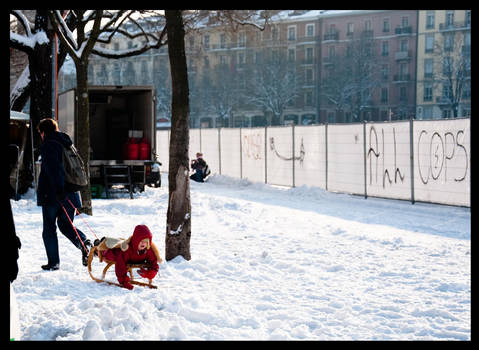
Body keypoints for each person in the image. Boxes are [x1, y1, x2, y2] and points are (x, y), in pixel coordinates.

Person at [36, 118, 91, 271]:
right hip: (72, 193)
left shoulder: (49, 144)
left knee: (49, 229)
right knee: (66, 225)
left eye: (40, 133)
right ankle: (85, 243)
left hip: (54, 195)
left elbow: (55, 169)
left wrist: (59, 189)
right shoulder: (66, 142)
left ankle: (53, 262)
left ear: (43, 132)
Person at [101, 225, 161, 290]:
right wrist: (124, 282)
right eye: (141, 241)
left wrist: (149, 273)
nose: (143, 243)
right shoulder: (127, 249)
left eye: (146, 241)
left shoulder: (148, 250)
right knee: (107, 251)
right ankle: (99, 244)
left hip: (130, 258)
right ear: (136, 241)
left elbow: (154, 264)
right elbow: (120, 265)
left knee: (119, 242)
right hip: (115, 253)